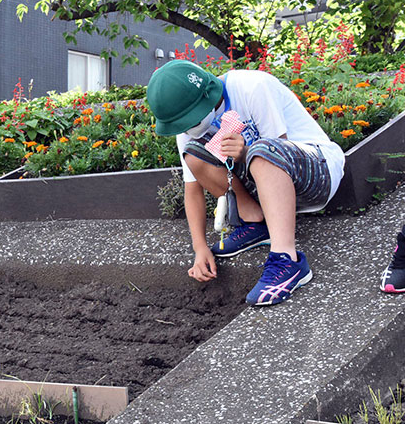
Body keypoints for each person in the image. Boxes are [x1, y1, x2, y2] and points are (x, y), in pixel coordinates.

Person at [146, 60, 345, 305]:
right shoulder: (186, 125)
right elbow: (193, 189)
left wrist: (244, 152)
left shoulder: (252, 87)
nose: (186, 129)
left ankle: (287, 259)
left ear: (206, 98)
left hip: (317, 172)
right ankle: (255, 221)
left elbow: (277, 151)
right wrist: (200, 248)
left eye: (189, 122)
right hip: (267, 186)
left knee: (262, 150)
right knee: (193, 155)